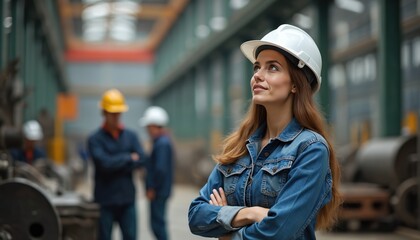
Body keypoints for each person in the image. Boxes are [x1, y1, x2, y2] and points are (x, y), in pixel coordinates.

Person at [188, 24, 341, 239]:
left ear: (296, 84)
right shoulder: (239, 146)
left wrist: (226, 230)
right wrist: (249, 214)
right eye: (257, 67)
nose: (258, 75)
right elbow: (196, 215)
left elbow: (279, 231)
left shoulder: (311, 149)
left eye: (273, 68)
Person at [87, 88, 147, 240]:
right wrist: (128, 158)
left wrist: (115, 161)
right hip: (105, 200)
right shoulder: (95, 139)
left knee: (130, 237)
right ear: (104, 113)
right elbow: (104, 164)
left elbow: (142, 159)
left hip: (127, 199)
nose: (115, 117)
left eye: (118, 113)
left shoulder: (131, 136)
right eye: (112, 113)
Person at [139, 106, 174, 240]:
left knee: (157, 224)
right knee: (158, 223)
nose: (147, 130)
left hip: (158, 191)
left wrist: (152, 187)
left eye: (148, 126)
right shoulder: (161, 142)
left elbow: (160, 169)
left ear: (154, 125)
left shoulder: (162, 144)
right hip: (161, 190)